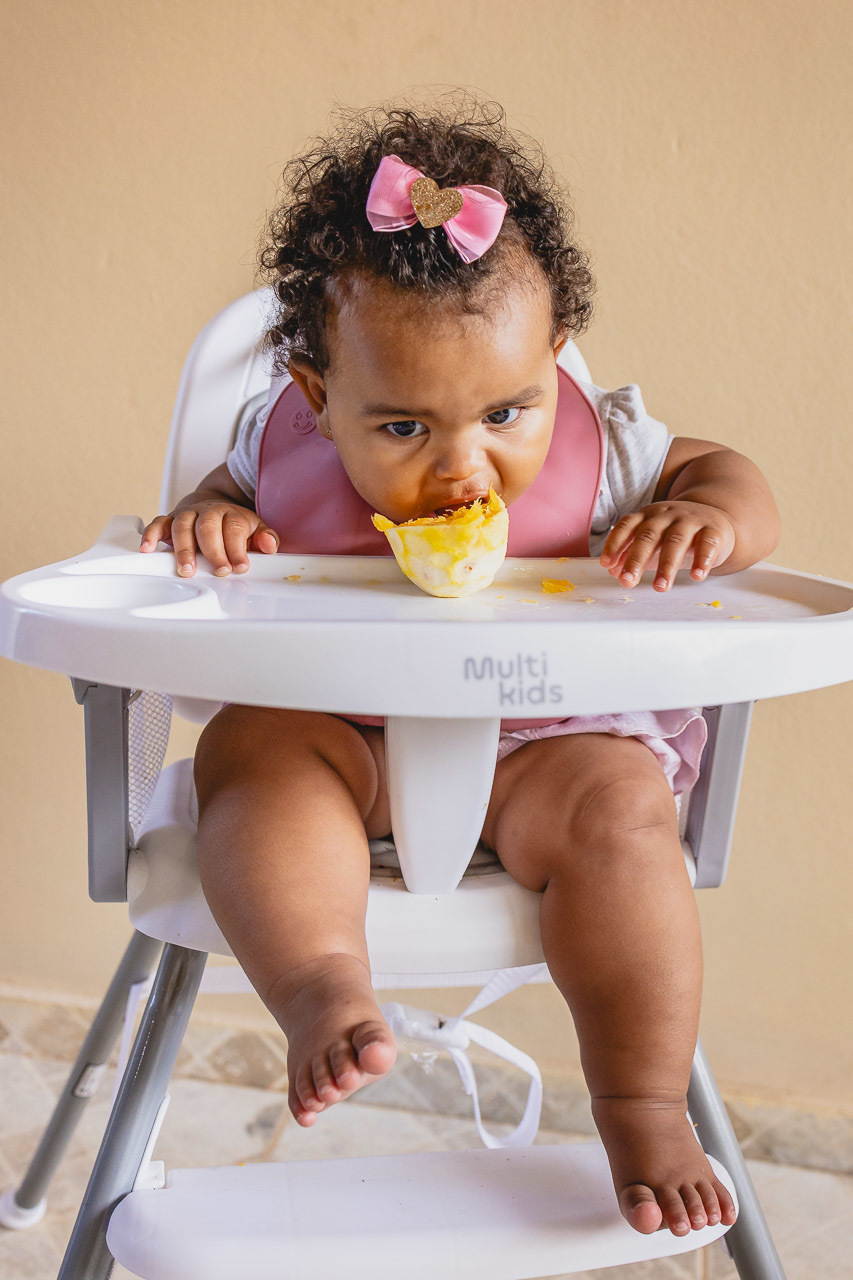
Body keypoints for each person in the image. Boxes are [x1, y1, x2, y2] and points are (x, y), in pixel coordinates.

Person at [140, 96, 779, 1238]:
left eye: (505, 413)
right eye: (402, 428)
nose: (462, 467)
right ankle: (323, 983)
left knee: (626, 811)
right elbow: (220, 499)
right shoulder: (273, 445)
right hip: (341, 746)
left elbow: (730, 477)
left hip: (545, 754)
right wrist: (209, 517)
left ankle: (640, 1103)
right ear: (317, 397)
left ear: (555, 362)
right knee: (250, 754)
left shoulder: (605, 446)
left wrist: (709, 518)